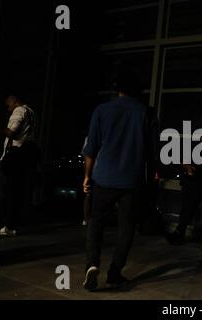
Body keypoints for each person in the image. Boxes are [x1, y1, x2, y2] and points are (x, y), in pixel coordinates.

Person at [82, 71, 148, 291]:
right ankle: (114, 272)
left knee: (96, 222)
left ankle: (92, 265)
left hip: (104, 178)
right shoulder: (145, 113)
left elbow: (91, 149)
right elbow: (151, 151)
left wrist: (87, 176)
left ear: (117, 89)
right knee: (126, 227)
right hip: (131, 180)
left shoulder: (102, 110)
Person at [0, 94, 37, 240]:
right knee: (14, 193)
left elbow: (12, 132)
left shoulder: (18, 111)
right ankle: (8, 226)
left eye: (9, 106)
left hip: (10, 158)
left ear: (15, 102)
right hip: (22, 159)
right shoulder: (31, 112)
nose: (9, 109)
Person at [166, 129, 202, 246]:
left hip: (200, 184)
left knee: (190, 210)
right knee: (187, 209)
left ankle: (181, 233)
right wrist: (188, 168)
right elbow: (181, 159)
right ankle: (180, 233)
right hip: (192, 183)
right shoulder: (195, 147)